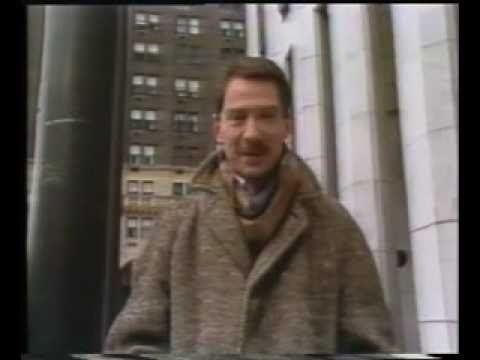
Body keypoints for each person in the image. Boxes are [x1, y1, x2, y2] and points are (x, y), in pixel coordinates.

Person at [104, 57, 397, 355]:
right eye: (238, 117)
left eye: (267, 116)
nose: (252, 133)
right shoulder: (176, 226)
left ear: (287, 126)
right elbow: (131, 344)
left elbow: (372, 346)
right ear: (218, 129)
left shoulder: (335, 226)